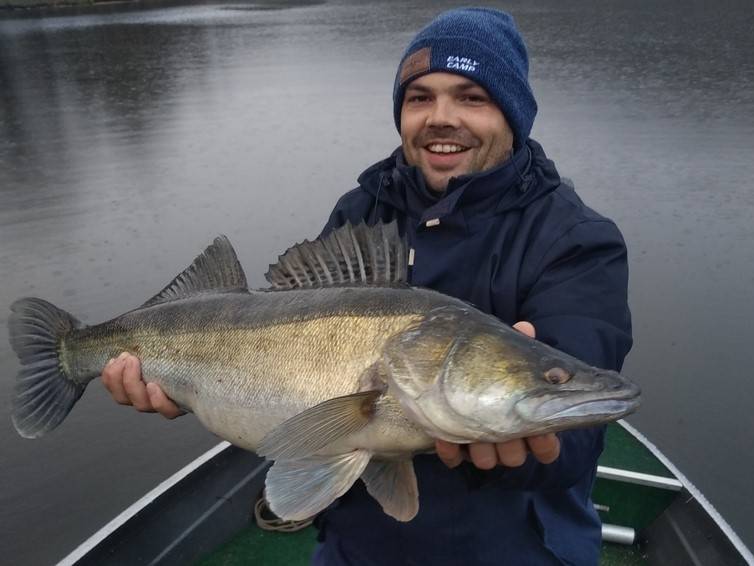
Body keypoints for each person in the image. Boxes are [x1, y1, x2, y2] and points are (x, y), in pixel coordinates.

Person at [102, 8, 632, 565]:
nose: (441, 117)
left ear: (513, 112)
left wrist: (517, 432)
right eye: (420, 97)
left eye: (472, 97)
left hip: (511, 547)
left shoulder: (576, 241)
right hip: (359, 546)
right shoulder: (363, 209)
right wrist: (191, 385)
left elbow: (571, 442)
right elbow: (287, 377)